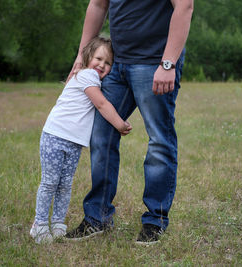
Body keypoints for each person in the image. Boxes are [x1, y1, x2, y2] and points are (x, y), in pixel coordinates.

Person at [64, 0, 193, 245]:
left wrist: (168, 63)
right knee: (100, 136)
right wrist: (82, 57)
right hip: (116, 63)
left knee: (159, 140)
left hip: (155, 62)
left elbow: (185, 6)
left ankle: (155, 221)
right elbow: (98, 6)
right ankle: (97, 218)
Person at [30, 36, 132, 244]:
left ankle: (58, 223)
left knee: (65, 185)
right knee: (50, 182)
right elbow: (102, 105)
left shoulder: (93, 79)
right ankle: (39, 225)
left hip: (74, 143)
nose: (102, 65)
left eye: (108, 63)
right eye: (99, 59)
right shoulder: (86, 76)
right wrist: (120, 124)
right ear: (87, 57)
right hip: (55, 137)